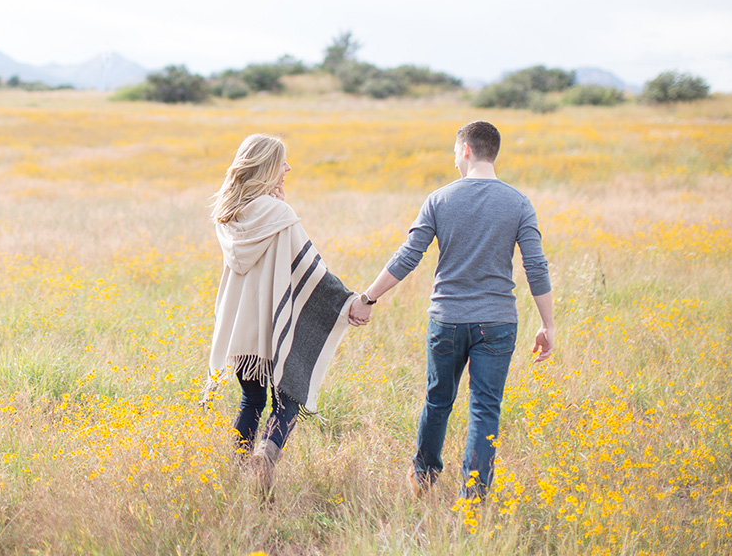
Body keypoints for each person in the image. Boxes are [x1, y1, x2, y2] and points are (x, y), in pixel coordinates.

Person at [349, 120, 555, 500]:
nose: (454, 159)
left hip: (447, 320)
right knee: (485, 409)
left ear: (466, 150)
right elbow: (536, 267)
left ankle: (424, 475)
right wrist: (548, 324)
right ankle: (474, 497)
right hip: (497, 322)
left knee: (438, 400)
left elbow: (408, 255)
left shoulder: (439, 199)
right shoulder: (519, 203)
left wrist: (368, 298)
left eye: (455, 152)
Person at [205, 133, 357, 496]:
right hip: (274, 325)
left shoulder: (227, 212)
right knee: (290, 398)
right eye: (281, 162)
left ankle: (238, 471)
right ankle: (266, 458)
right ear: (267, 167)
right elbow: (312, 268)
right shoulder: (278, 214)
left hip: (240, 330)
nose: (288, 168)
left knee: (251, 400)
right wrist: (348, 301)